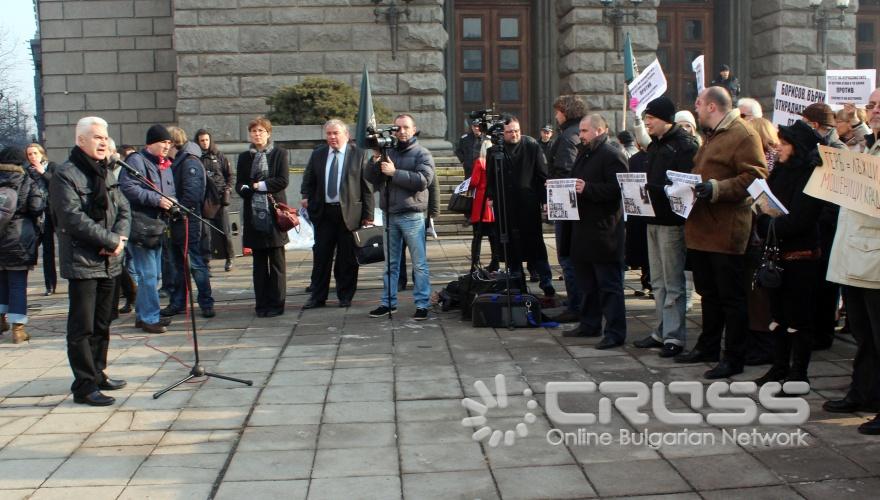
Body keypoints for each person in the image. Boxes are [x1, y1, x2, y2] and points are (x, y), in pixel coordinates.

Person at [676, 87, 767, 379]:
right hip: (702, 228)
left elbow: (755, 176)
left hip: (726, 230)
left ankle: (734, 357)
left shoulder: (743, 133)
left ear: (712, 106)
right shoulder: (712, 134)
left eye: (699, 103)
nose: (696, 108)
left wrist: (716, 188)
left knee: (731, 298)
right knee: (709, 294)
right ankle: (708, 346)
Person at [51, 116, 131, 406]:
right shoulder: (65, 174)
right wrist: (109, 241)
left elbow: (123, 208)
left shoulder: (106, 171)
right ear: (80, 140)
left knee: (103, 323)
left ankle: (98, 373)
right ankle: (84, 386)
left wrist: (119, 239)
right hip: (83, 262)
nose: (103, 142)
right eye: (97, 137)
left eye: (105, 137)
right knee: (82, 327)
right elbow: (72, 219)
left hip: (110, 262)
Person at [822, 87, 880, 434]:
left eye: (878, 105)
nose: (874, 110)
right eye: (871, 105)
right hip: (856, 256)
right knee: (864, 335)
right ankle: (863, 393)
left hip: (874, 260)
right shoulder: (870, 145)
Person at [752, 120, 825, 389]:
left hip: (801, 256)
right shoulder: (781, 170)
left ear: (798, 147)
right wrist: (762, 215)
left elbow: (802, 220)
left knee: (799, 318)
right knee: (777, 316)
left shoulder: (810, 174)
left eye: (785, 143)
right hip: (776, 253)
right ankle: (779, 366)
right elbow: (766, 203)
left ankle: (798, 374)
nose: (779, 147)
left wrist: (769, 224)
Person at [631, 97, 699, 358]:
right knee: (657, 282)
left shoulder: (684, 145)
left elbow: (686, 186)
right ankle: (660, 330)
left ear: (665, 119)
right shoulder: (656, 144)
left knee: (673, 283)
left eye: (651, 118)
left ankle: (674, 336)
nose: (647, 122)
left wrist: (656, 190)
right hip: (652, 218)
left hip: (672, 222)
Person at [560, 114, 628, 350]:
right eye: (580, 131)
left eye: (585, 131)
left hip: (604, 232)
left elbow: (618, 189)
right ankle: (589, 324)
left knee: (609, 285)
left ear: (599, 130)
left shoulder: (612, 154)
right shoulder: (584, 152)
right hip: (582, 230)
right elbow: (575, 183)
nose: (581, 135)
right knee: (587, 283)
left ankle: (615, 332)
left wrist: (588, 188)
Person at [364, 114, 434, 320]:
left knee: (419, 264)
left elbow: (423, 181)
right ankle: (388, 303)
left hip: (412, 215)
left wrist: (395, 173)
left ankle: (422, 304)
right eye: (398, 128)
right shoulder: (388, 152)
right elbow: (370, 178)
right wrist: (375, 157)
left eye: (406, 127)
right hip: (390, 215)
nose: (401, 131)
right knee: (390, 264)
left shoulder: (422, 153)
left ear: (414, 129)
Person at [300, 119, 374, 309]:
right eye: (329, 134)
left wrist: (368, 215)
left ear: (346, 135)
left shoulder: (358, 154)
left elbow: (367, 187)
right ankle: (317, 297)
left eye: (336, 133)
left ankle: (345, 295)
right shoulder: (318, 154)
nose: (332, 137)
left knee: (346, 258)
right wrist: (306, 196)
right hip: (324, 213)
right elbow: (309, 178)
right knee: (321, 257)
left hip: (349, 215)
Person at [119, 124, 177, 334]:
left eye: (169, 142)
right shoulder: (136, 161)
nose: (167, 146)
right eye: (163, 142)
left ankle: (145, 314)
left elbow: (170, 191)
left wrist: (173, 203)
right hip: (141, 226)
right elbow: (128, 187)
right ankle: (149, 318)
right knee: (148, 275)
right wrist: (157, 199)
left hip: (158, 226)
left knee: (155, 274)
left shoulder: (165, 164)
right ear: (150, 143)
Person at [487, 117, 555, 296]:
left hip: (528, 204)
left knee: (535, 243)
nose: (514, 134)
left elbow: (541, 175)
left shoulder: (531, 145)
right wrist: (491, 197)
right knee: (510, 244)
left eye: (517, 130)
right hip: (505, 206)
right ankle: (516, 279)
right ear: (503, 133)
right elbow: (491, 178)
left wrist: (545, 200)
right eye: (510, 132)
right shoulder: (494, 151)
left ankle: (546, 280)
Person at [236, 117, 289, 318]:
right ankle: (262, 304)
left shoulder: (279, 153)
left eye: (261, 131)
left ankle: (277, 304)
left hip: (274, 213)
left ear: (268, 133)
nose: (257, 134)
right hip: (254, 214)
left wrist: (260, 185)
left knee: (276, 263)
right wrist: (246, 189)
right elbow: (240, 183)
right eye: (253, 131)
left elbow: (282, 180)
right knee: (259, 264)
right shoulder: (244, 157)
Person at [160, 126, 215, 318]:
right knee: (178, 265)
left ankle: (206, 302)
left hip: (187, 220)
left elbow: (193, 194)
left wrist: (176, 207)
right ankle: (178, 302)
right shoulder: (176, 162)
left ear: (172, 143)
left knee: (195, 263)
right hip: (176, 220)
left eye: (166, 142)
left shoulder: (189, 162)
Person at [546, 95, 589, 322]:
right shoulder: (575, 133)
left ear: (565, 111)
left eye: (558, 111)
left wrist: (553, 190)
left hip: (566, 203)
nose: (556, 116)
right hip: (572, 203)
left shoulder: (568, 136)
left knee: (567, 256)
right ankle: (576, 301)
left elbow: (565, 169)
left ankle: (576, 305)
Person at [0, 147, 45, 344]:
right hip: (20, 238)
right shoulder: (27, 180)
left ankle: (0, 321)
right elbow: (36, 207)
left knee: (1, 281)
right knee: (17, 283)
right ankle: (18, 330)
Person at [195, 129, 235, 272]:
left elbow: (230, 175)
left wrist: (228, 189)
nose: (205, 143)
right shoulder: (196, 158)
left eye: (206, 140)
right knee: (205, 233)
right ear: (198, 142)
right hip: (204, 200)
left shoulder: (220, 156)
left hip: (219, 198)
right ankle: (206, 262)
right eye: (202, 140)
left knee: (225, 230)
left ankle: (230, 258)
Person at [25, 143, 58, 296]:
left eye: (35, 153)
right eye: (29, 154)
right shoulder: (26, 172)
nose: (33, 157)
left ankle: (50, 284)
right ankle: (22, 284)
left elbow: (58, 185)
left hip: (50, 213)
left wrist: (43, 172)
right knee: (30, 250)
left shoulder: (51, 167)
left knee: (49, 250)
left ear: (42, 154)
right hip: (35, 214)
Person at [469, 140, 500, 269]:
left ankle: (475, 262)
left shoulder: (480, 162)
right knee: (493, 236)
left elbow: (474, 181)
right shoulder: (496, 162)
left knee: (477, 235)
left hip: (481, 202)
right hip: (492, 201)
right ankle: (495, 261)